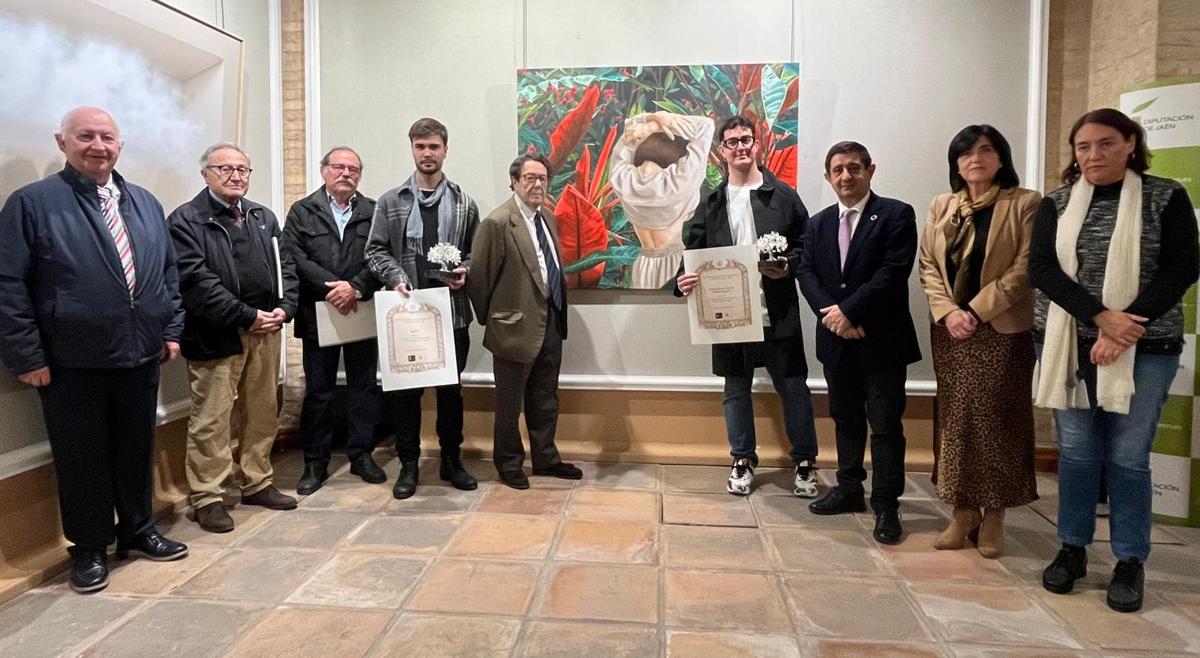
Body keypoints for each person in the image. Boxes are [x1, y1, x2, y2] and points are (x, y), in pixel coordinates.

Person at [0, 107, 188, 592]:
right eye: (86, 136)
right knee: (81, 457)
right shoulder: (31, 204)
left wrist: (170, 330)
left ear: (119, 146)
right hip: (69, 362)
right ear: (62, 142)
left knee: (135, 449)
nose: (98, 145)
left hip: (141, 353)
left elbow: (167, 274)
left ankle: (139, 530)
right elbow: (8, 285)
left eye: (107, 137)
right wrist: (28, 356)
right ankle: (88, 547)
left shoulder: (144, 202)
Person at [1032, 108, 1198, 613]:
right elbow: (1043, 269)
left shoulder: (1165, 197)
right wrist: (1100, 318)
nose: (1093, 155)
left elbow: (1182, 268)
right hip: (1068, 343)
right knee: (1078, 452)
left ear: (1131, 144)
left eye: (1105, 144)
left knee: (1128, 456)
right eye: (1083, 147)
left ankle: (1129, 559)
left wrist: (1125, 326)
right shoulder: (1056, 203)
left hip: (1145, 345)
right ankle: (1073, 548)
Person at [676, 115, 820, 499]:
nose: (740, 147)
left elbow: (807, 246)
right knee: (735, 389)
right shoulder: (711, 202)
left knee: (793, 387)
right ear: (721, 151)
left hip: (779, 311)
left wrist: (787, 265)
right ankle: (742, 459)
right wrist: (682, 280)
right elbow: (694, 251)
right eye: (732, 142)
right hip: (729, 317)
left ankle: (805, 463)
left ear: (757, 145)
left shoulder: (784, 196)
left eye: (746, 140)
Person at [918, 125, 1042, 558]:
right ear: (955, 162)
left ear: (1001, 157)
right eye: (966, 153)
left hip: (1000, 329)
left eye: (986, 150)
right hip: (951, 331)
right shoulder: (942, 205)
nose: (976, 159)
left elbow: (1028, 267)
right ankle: (964, 509)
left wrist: (976, 311)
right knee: (957, 419)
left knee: (996, 418)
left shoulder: (1025, 203)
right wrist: (950, 312)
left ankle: (995, 514)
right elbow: (928, 264)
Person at [169, 142, 300, 533]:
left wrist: (285, 306)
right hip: (216, 334)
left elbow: (285, 266)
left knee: (262, 411)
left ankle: (257, 481)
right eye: (225, 169)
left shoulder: (262, 216)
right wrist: (245, 316)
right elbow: (195, 282)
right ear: (205, 174)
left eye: (242, 169)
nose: (235, 176)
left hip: (266, 330)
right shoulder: (186, 220)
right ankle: (208, 496)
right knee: (211, 419)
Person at [797, 141, 920, 545]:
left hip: (881, 340)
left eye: (854, 168)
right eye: (838, 170)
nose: (846, 176)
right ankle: (849, 489)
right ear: (829, 177)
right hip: (837, 341)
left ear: (870, 169)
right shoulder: (817, 224)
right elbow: (808, 273)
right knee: (846, 419)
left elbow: (892, 271)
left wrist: (848, 312)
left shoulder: (896, 215)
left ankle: (886, 504)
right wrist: (833, 317)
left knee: (885, 425)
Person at [365, 118, 480, 498]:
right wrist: (396, 276)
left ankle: (451, 462)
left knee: (450, 392)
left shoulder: (464, 202)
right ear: (411, 149)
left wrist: (463, 271)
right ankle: (409, 465)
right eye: (420, 146)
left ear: (445, 149)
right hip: (407, 313)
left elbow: (476, 253)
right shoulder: (390, 201)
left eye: (433, 146)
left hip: (452, 312)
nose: (427, 153)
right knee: (406, 395)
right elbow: (374, 250)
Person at [467, 153, 582, 489]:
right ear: (514, 182)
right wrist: (496, 319)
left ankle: (545, 458)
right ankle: (509, 463)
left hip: (550, 322)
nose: (537, 184)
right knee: (509, 402)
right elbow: (480, 278)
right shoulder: (498, 222)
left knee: (545, 397)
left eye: (543, 178)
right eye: (529, 178)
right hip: (513, 328)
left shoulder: (546, 216)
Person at [282, 146, 385, 495]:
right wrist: (333, 287)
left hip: (360, 309)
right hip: (317, 314)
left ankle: (361, 454)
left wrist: (355, 287)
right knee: (319, 392)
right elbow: (293, 256)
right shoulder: (302, 211)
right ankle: (315, 462)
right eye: (339, 167)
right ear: (324, 170)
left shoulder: (373, 212)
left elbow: (382, 254)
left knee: (363, 388)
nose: (346, 173)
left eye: (353, 169)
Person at [609, 111, 715, 288]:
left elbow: (630, 133)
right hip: (677, 264)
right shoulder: (679, 182)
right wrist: (656, 125)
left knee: (645, 315)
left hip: (643, 265)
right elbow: (706, 126)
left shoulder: (623, 180)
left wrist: (650, 121)